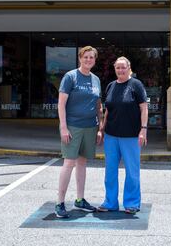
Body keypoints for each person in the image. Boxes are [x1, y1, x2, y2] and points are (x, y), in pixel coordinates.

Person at [55, 46, 103, 218]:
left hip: (90, 126)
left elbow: (98, 105)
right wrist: (63, 127)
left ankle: (80, 200)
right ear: (80, 58)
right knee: (69, 163)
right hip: (73, 126)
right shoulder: (70, 77)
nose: (88, 60)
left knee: (82, 163)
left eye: (91, 57)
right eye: (85, 57)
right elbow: (61, 104)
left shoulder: (96, 80)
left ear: (94, 60)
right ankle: (60, 202)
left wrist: (100, 127)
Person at [97, 56, 148, 214]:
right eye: (117, 68)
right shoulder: (111, 86)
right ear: (115, 69)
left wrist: (143, 129)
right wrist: (102, 129)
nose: (120, 70)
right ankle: (110, 202)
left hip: (131, 136)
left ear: (129, 67)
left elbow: (144, 108)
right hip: (111, 136)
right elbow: (108, 110)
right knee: (110, 170)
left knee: (132, 171)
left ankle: (132, 203)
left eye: (123, 67)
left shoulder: (136, 85)